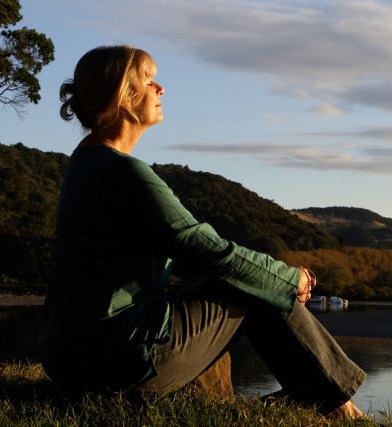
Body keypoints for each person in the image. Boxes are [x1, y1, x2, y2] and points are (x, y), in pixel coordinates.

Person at [38, 45, 366, 418]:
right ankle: (341, 408)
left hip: (77, 359)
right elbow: (210, 251)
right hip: (116, 363)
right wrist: (290, 278)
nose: (160, 88)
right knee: (253, 282)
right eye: (149, 80)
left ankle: (323, 398)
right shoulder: (123, 173)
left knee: (254, 277)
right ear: (124, 99)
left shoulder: (86, 162)